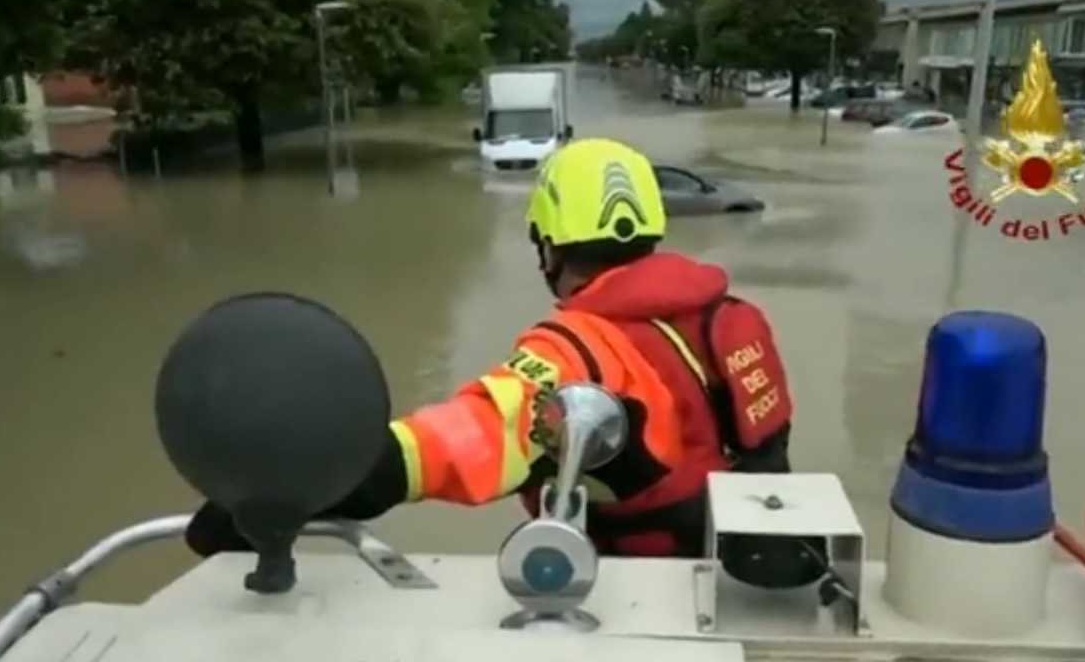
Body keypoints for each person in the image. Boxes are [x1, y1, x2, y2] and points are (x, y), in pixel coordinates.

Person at [186, 138, 803, 568]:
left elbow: (458, 443)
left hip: (630, 587)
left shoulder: (575, 351)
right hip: (736, 569)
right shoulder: (731, 317)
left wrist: (295, 486)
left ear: (548, 244)